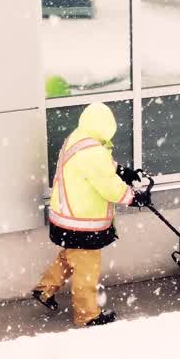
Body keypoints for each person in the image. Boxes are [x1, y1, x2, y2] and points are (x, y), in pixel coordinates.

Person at [32, 102, 149, 327]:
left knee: (71, 256)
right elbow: (108, 185)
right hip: (82, 222)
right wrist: (133, 197)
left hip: (66, 216)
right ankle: (87, 315)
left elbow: (103, 166)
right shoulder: (93, 152)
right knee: (87, 270)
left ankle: (44, 290)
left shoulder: (78, 138)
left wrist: (122, 171)